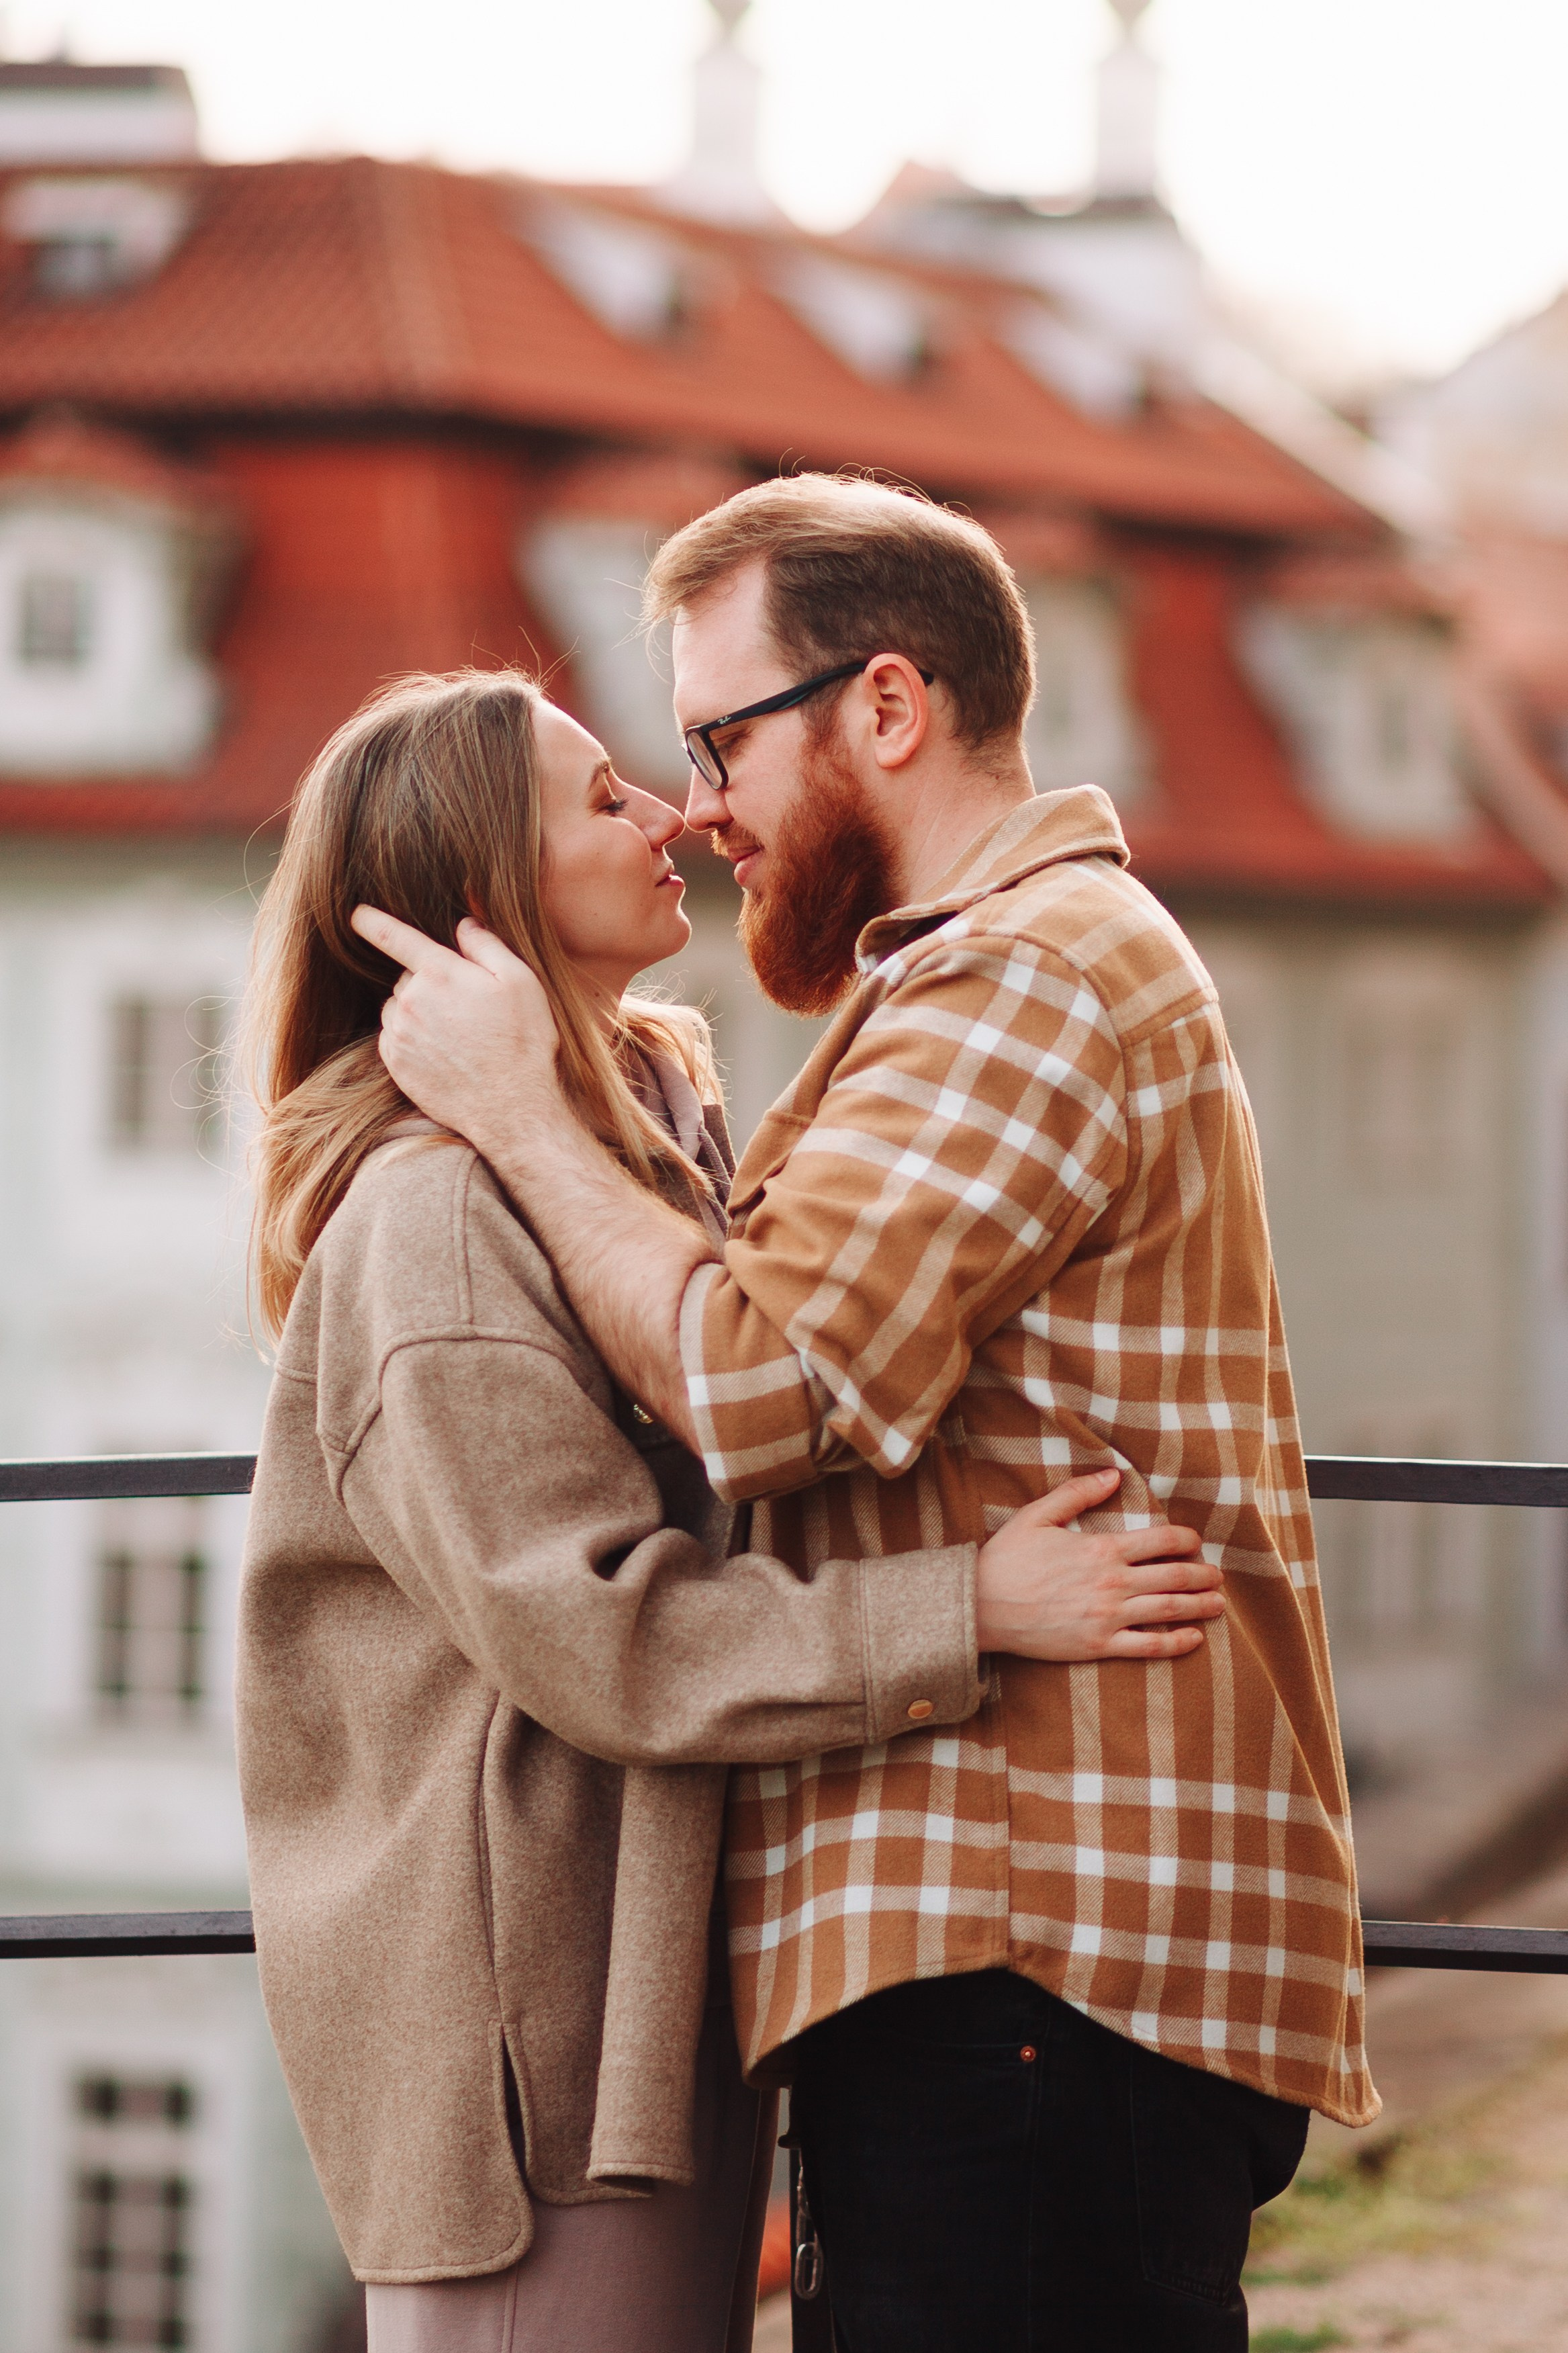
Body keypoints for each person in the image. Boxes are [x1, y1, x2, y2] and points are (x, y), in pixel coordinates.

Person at [354, 476, 1382, 2353]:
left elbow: (759, 1382)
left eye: (717, 738)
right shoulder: (962, 980)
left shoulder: (1025, 977)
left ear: (885, 707)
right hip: (1015, 1945)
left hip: (1040, 1935)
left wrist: (513, 1113)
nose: (699, 807)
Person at [234, 666, 1223, 2353]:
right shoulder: (435, 1215)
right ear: (485, 903)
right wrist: (965, 1606)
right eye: (606, 800)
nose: (674, 815)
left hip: (643, 1966)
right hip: (531, 2031)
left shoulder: (628, 1149)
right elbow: (599, 1627)